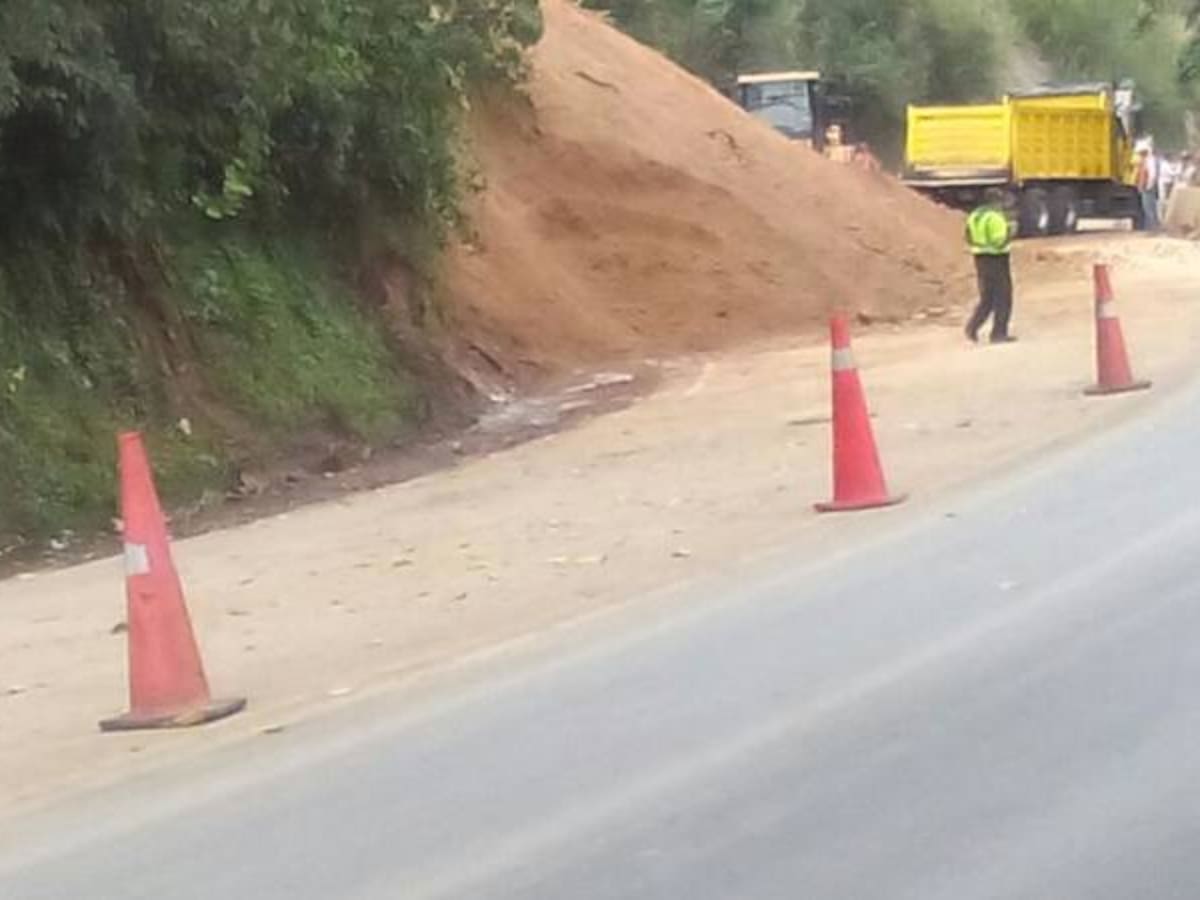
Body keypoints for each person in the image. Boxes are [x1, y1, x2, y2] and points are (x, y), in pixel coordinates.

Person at [964, 189, 1016, 344]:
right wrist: (1009, 233)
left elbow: (967, 235)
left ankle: (972, 327)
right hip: (997, 258)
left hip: (979, 258)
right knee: (1003, 298)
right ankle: (999, 333)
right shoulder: (995, 217)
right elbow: (999, 241)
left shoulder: (974, 215)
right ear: (996, 201)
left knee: (987, 297)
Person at [1135, 143, 1159, 231]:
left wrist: (1148, 186)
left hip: (1148, 187)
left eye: (1141, 153)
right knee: (1148, 207)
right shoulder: (1145, 160)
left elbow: (1152, 175)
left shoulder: (1149, 161)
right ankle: (1152, 227)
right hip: (1145, 186)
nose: (1140, 155)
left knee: (1148, 208)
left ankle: (1152, 228)